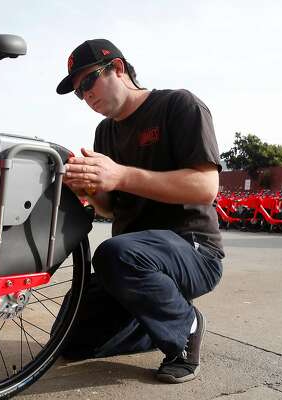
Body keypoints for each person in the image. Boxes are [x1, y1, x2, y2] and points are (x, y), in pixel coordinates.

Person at [57, 39, 224, 383]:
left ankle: (185, 330)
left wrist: (120, 174)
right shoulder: (106, 132)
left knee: (114, 253)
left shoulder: (178, 105)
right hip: (133, 259)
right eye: (79, 92)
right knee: (70, 339)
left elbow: (206, 188)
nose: (86, 96)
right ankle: (158, 318)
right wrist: (90, 190)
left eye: (89, 81)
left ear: (118, 68)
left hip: (192, 250)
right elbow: (109, 207)